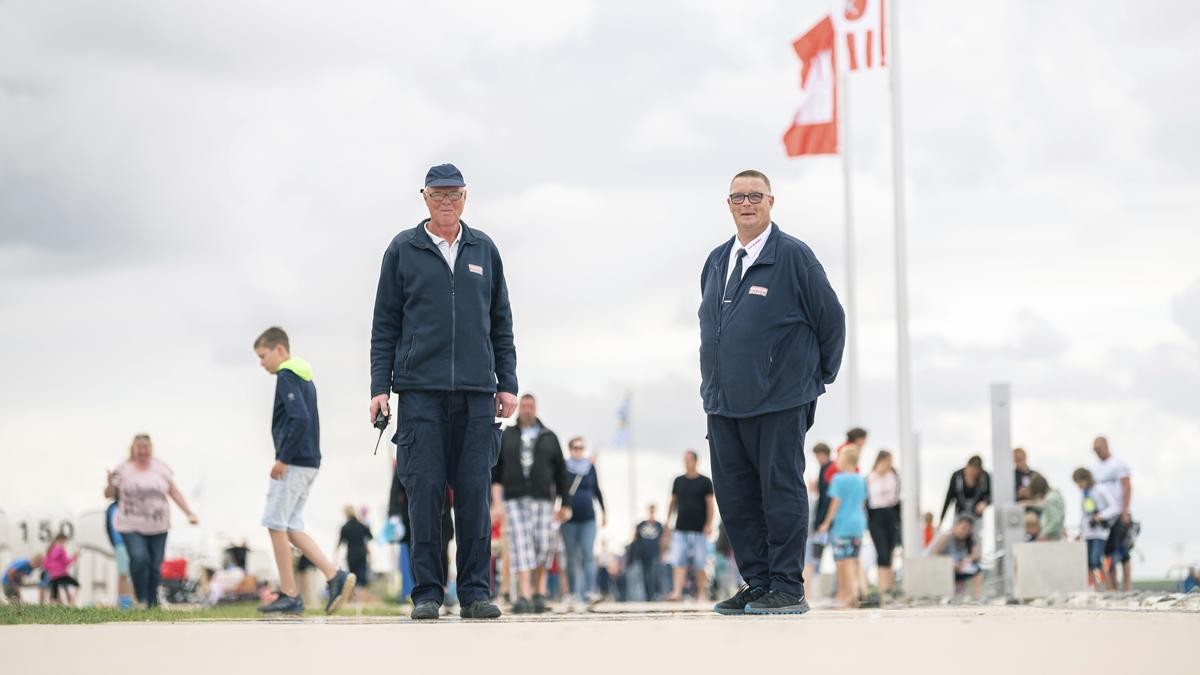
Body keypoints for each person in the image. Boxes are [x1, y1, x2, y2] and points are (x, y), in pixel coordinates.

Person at [371, 163, 516, 621]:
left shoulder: (484, 250)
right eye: (438, 194)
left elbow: (501, 323)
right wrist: (380, 387)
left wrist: (507, 382)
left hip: (476, 394)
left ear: (466, 198)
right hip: (419, 393)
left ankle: (474, 591)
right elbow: (385, 325)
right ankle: (427, 593)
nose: (447, 201)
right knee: (425, 493)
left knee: (474, 494)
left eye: (454, 193)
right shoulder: (403, 249)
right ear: (425, 197)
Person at [700, 169, 846, 616]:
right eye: (738, 196)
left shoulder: (794, 257)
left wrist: (813, 380)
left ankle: (787, 585)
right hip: (724, 402)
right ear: (728, 204)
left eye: (755, 196)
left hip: (781, 399)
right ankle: (759, 582)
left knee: (779, 491)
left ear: (771, 201)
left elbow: (831, 319)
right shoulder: (717, 260)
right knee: (736, 496)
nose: (747, 203)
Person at [253, 327, 355, 615]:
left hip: (295, 461)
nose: (261, 363)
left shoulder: (287, 374)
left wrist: (283, 458)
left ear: (280, 350)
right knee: (292, 525)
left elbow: (299, 418)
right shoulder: (304, 376)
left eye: (263, 356)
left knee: (275, 523)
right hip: (309, 460)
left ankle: (289, 593)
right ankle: (335, 576)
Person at [492, 394, 572, 614]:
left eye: (530, 406)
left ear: (536, 409)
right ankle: (525, 594)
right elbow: (496, 473)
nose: (527, 410)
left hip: (543, 499)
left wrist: (565, 502)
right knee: (520, 545)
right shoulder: (507, 436)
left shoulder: (549, 437)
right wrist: (496, 503)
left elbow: (561, 473)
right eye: (524, 406)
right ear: (519, 409)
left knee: (543, 545)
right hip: (515, 499)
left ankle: (539, 591)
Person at [105, 433, 199, 608]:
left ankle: (152, 599)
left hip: (158, 524)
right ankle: (141, 597)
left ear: (151, 448)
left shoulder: (160, 468)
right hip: (129, 523)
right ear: (133, 449)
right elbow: (109, 494)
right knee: (139, 558)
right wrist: (110, 483)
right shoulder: (123, 469)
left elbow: (174, 492)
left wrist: (188, 513)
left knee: (155, 564)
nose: (142, 450)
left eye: (146, 447)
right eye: (139, 447)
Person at [817, 445, 867, 608]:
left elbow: (835, 503)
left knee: (842, 561)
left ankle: (848, 594)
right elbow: (863, 502)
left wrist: (825, 523)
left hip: (843, 524)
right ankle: (860, 588)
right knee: (854, 559)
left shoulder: (838, 479)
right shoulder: (861, 479)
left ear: (845, 460)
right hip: (858, 523)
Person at [561, 436, 606, 607]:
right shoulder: (563, 468)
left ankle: (590, 591)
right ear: (570, 449)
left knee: (588, 554)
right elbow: (557, 489)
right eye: (575, 447)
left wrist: (604, 511)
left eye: (581, 447)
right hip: (569, 520)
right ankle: (572, 593)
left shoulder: (590, 467)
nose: (578, 450)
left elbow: (597, 490)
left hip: (588, 518)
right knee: (571, 557)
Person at [666, 450, 715, 602]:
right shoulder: (678, 481)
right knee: (679, 561)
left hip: (699, 529)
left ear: (696, 461)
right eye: (685, 460)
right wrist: (667, 522)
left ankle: (701, 594)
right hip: (680, 528)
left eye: (689, 459)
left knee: (700, 563)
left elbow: (710, 504)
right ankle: (677, 592)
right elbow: (673, 502)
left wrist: (709, 524)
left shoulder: (705, 481)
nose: (687, 462)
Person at [1091, 436, 1133, 591]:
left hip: (1118, 513)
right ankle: (1113, 587)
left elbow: (1127, 487)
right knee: (1108, 552)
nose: (1097, 453)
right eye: (1094, 451)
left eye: (1099, 449)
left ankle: (1127, 586)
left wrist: (1125, 511)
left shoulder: (1119, 464)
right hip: (1103, 515)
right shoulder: (1094, 467)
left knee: (1123, 551)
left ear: (1106, 446)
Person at [1073, 467, 1121, 589]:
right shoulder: (1083, 494)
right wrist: (1081, 532)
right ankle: (1096, 589)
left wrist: (1101, 516)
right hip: (1088, 532)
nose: (1079, 486)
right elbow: (1084, 515)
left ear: (1086, 479)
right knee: (1088, 562)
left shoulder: (1100, 490)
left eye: (1080, 482)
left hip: (1100, 532)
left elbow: (1115, 507)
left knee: (1096, 560)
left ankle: (1108, 587)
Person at [866, 449, 900, 597]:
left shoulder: (893, 476)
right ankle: (882, 588)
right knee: (882, 552)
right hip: (876, 515)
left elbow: (897, 497)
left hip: (891, 514)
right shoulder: (870, 478)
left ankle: (889, 587)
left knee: (891, 550)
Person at [931, 514, 983, 599]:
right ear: (956, 525)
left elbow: (977, 555)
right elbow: (934, 554)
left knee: (978, 569)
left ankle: (977, 598)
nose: (965, 531)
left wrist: (969, 559)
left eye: (968, 530)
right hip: (944, 569)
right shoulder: (946, 537)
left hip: (959, 569)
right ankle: (947, 597)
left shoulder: (967, 540)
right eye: (963, 528)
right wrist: (950, 563)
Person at [804, 442, 834, 580]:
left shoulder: (828, 469)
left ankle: (814, 583)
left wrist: (822, 522)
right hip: (825, 521)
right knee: (819, 552)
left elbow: (827, 499)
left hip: (826, 522)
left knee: (818, 552)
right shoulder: (825, 469)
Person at [939, 455, 992, 527]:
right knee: (956, 535)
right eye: (971, 471)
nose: (972, 474)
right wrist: (941, 520)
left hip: (977, 517)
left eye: (976, 472)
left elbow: (992, 496)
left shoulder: (985, 477)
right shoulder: (957, 476)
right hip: (959, 515)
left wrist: (985, 503)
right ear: (966, 466)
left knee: (977, 536)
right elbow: (948, 498)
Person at [103, 493, 134, 609]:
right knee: (123, 574)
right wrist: (115, 543)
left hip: (131, 543)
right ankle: (125, 605)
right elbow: (109, 527)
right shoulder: (112, 508)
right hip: (121, 544)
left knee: (133, 574)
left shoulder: (132, 506)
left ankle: (134, 601)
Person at [338, 505, 374, 598]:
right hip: (362, 554)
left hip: (351, 555)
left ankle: (353, 601)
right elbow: (370, 537)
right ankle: (362, 602)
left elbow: (340, 542)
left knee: (352, 579)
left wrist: (335, 556)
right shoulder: (362, 525)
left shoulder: (345, 527)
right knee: (362, 580)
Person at [632, 504, 665, 601]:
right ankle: (648, 596)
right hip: (643, 554)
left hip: (655, 554)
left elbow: (663, 541)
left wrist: (662, 553)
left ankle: (656, 594)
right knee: (645, 575)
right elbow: (635, 538)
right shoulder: (641, 524)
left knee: (655, 574)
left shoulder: (659, 525)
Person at [1025, 473, 1065, 541]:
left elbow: (1055, 520)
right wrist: (1029, 504)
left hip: (1051, 536)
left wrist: (1044, 534)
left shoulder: (1050, 499)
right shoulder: (1054, 495)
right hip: (1055, 534)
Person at [44, 534, 79, 605]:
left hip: (53, 575)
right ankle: (71, 603)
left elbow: (45, 564)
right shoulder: (61, 549)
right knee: (77, 585)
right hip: (61, 574)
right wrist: (75, 556)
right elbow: (66, 562)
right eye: (65, 542)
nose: (65, 544)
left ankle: (52, 607)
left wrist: (52, 570)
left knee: (54, 593)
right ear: (62, 540)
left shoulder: (50, 549)